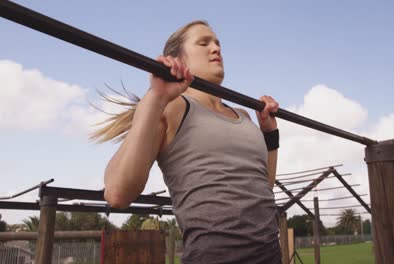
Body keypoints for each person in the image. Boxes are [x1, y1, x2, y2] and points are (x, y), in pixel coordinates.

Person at [92, 20, 281, 264]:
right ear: (178, 58)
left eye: (217, 43)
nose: (216, 49)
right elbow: (117, 194)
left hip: (270, 255)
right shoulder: (172, 108)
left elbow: (265, 186)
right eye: (204, 43)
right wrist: (155, 97)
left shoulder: (244, 116)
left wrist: (270, 135)